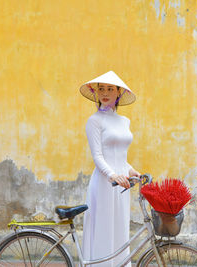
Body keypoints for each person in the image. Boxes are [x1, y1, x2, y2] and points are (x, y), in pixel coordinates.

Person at [79, 71, 140, 266]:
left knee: (119, 228)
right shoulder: (94, 121)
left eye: (110, 89)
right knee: (104, 229)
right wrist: (112, 175)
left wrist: (131, 171)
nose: (105, 93)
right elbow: (98, 156)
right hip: (105, 183)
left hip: (122, 184)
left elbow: (120, 155)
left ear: (119, 93)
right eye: (101, 89)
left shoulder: (125, 122)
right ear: (96, 92)